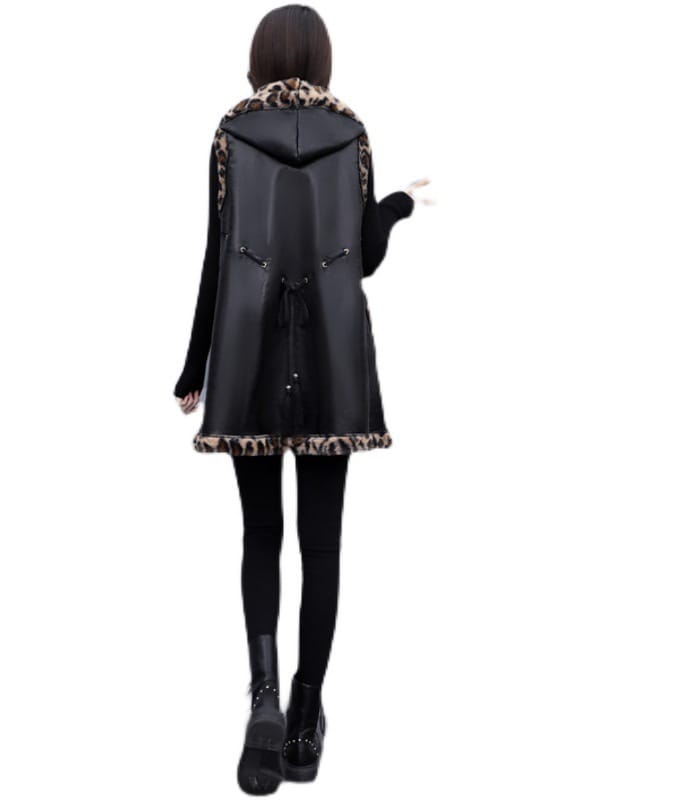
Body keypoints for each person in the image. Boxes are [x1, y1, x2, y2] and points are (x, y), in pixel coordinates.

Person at [173, 5, 430, 794]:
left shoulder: (229, 134)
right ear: (321, 59)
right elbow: (364, 258)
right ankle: (307, 715)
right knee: (321, 545)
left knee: (261, 535)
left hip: (247, 351)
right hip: (331, 356)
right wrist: (398, 205)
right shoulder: (351, 134)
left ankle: (263, 700)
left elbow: (217, 253)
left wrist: (193, 368)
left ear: (259, 58)